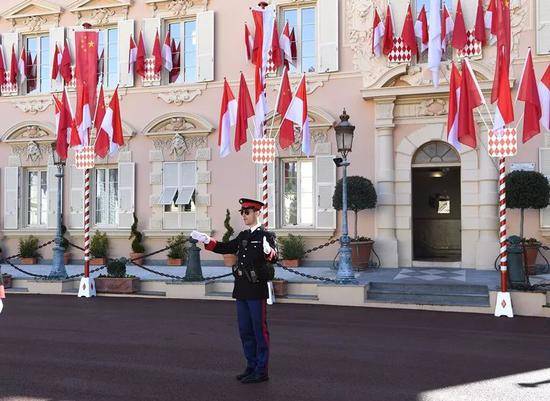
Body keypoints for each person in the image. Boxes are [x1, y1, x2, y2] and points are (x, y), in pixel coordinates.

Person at [191, 198, 278, 384]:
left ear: (257, 213)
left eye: (247, 212)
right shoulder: (243, 236)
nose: (244, 216)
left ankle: (262, 370)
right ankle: (251, 365)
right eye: (242, 213)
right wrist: (207, 240)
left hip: (256, 289)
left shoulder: (266, 236)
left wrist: (269, 251)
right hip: (241, 289)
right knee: (245, 330)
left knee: (259, 330)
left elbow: (274, 257)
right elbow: (226, 247)